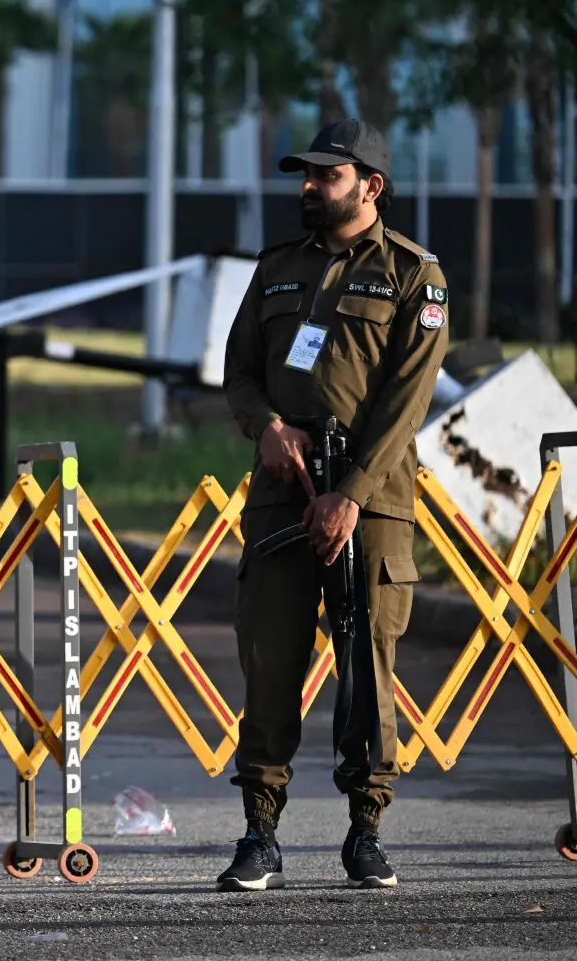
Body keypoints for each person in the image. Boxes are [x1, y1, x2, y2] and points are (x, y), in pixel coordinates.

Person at [216, 118, 450, 892]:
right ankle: (259, 835)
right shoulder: (277, 268)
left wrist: (350, 495)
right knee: (269, 663)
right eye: (307, 175)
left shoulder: (415, 275)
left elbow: (407, 403)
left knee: (367, 671)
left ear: (370, 186)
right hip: (282, 499)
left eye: (327, 175)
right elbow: (239, 372)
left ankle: (366, 832)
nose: (310, 187)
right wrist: (267, 427)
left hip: (372, 504)